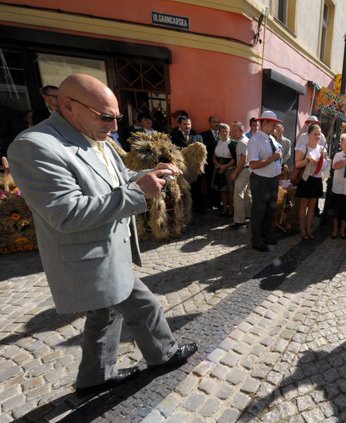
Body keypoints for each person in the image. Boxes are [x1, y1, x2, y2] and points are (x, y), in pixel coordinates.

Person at [7, 73, 197, 396]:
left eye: (117, 118)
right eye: (106, 117)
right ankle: (163, 355)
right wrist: (139, 194)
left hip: (109, 250)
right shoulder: (35, 146)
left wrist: (148, 175)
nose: (114, 127)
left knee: (104, 315)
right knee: (144, 306)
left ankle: (95, 377)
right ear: (68, 106)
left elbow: (120, 177)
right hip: (88, 259)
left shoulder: (97, 137)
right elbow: (66, 213)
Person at [247, 111, 283, 252]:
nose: (275, 126)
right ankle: (256, 240)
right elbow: (253, 164)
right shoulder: (254, 140)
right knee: (259, 211)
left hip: (272, 179)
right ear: (265, 123)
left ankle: (266, 235)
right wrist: (272, 159)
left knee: (270, 209)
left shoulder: (271, 139)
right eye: (273, 124)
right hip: (260, 180)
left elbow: (276, 157)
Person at [294, 123, 328, 239]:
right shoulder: (304, 147)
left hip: (317, 179)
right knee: (303, 206)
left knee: (312, 207)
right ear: (309, 135)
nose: (318, 136)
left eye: (319, 134)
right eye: (315, 134)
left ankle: (309, 229)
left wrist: (323, 161)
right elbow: (297, 164)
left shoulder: (322, 149)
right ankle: (302, 230)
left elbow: (324, 167)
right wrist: (308, 160)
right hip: (305, 179)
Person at [230, 121, 252, 229]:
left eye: (235, 131)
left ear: (241, 131)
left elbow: (243, 159)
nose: (232, 133)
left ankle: (239, 221)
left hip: (243, 170)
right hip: (248, 170)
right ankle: (248, 215)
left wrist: (235, 173)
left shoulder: (242, 142)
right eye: (232, 131)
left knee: (238, 195)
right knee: (247, 195)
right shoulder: (246, 140)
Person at [212, 123, 236, 217]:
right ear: (219, 132)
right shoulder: (216, 143)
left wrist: (225, 166)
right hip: (218, 168)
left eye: (227, 131)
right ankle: (225, 209)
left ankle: (231, 210)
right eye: (223, 131)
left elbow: (235, 158)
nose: (225, 133)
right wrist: (219, 165)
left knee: (230, 190)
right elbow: (213, 157)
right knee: (222, 190)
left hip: (229, 169)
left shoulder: (232, 143)